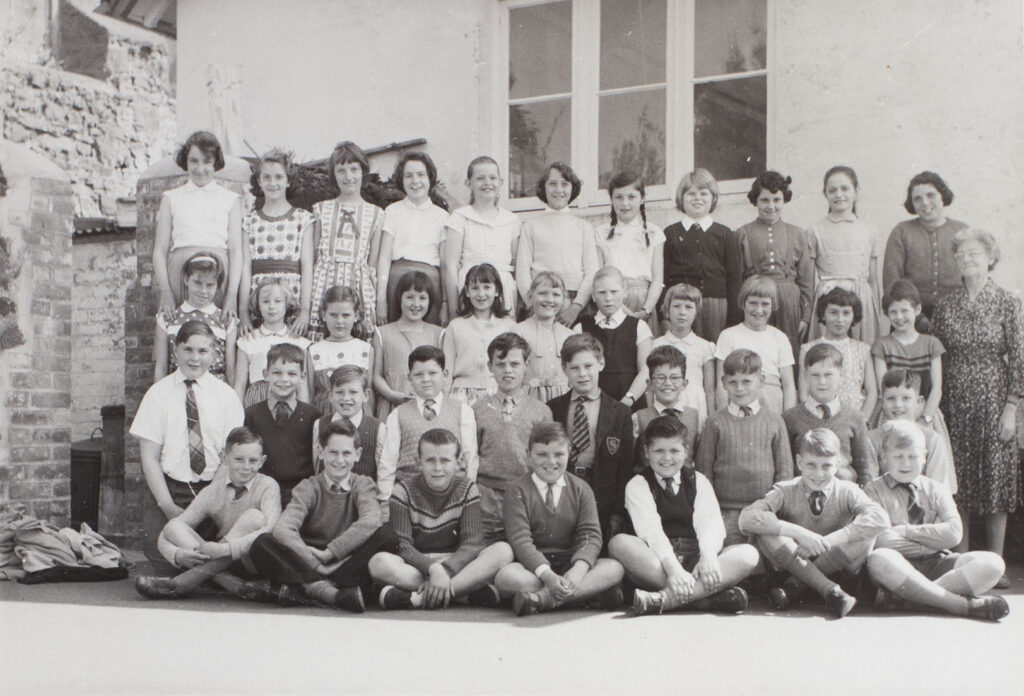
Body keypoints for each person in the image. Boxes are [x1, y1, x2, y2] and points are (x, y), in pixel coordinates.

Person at [932, 228, 1023, 578]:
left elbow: (1018, 356)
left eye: (975, 253)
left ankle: (995, 566)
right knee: (959, 478)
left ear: (990, 259)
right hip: (955, 396)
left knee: (997, 478)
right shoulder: (947, 305)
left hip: (995, 395)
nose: (967, 259)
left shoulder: (1007, 301)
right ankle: (962, 564)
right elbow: (937, 354)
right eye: (961, 254)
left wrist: (1012, 407)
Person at [610, 416, 759, 615]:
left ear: (686, 452)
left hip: (695, 557)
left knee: (748, 554)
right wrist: (674, 570)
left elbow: (709, 523)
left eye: (674, 451)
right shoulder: (638, 484)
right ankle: (705, 598)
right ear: (647, 452)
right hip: (658, 561)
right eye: (659, 451)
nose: (667, 458)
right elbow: (651, 531)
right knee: (619, 543)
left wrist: (707, 557)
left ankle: (665, 599)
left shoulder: (698, 480)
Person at [864, 421, 1009, 621]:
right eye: (898, 456)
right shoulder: (873, 491)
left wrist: (905, 531)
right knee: (879, 558)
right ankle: (959, 605)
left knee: (993, 564)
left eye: (913, 456)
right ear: (884, 457)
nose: (906, 463)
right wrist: (933, 541)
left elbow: (954, 533)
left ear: (924, 457)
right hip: (898, 568)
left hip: (937, 563)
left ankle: (908, 599)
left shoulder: (937, 489)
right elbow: (883, 540)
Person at [248, 419, 398, 612]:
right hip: (309, 558)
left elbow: (370, 520)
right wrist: (317, 564)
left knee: (387, 535)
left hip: (346, 562)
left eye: (346, 453)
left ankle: (306, 588)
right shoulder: (309, 487)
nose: (339, 460)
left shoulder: (362, 484)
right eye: (333, 452)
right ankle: (329, 592)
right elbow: (283, 528)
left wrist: (331, 553)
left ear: (357, 455)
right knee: (262, 543)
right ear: (321, 452)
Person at [739, 428, 889, 618]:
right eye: (811, 465)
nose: (818, 474)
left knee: (867, 533)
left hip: (837, 571)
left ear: (838, 464)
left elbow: (881, 518)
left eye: (826, 466)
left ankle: (796, 585)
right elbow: (746, 518)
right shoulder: (786, 490)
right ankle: (830, 591)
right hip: (791, 565)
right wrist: (799, 533)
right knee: (768, 530)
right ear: (799, 462)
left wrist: (826, 542)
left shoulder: (848, 490)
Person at [130, 320, 245, 566]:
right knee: (157, 554)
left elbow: (230, 456)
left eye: (203, 351)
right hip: (172, 489)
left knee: (205, 549)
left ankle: (200, 568)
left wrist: (209, 499)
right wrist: (167, 505)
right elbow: (149, 457)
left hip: (214, 488)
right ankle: (208, 570)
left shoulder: (226, 396)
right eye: (188, 350)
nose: (195, 358)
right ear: (175, 351)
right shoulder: (158, 394)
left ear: (214, 354)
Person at [370, 428, 514, 609]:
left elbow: (472, 543)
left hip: (455, 562)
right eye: (430, 460)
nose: (438, 468)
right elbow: (403, 546)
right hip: (417, 564)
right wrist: (433, 569)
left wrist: (444, 570)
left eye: (445, 460)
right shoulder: (402, 491)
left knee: (503, 551)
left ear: (458, 462)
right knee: (378, 563)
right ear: (418, 462)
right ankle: (462, 594)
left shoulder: (467, 488)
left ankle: (420, 598)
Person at [134, 427, 280, 601]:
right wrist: (177, 554)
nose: (246, 467)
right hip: (221, 563)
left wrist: (225, 548)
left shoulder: (268, 486)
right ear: (225, 458)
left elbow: (270, 529)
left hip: (249, 562)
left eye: (253, 461)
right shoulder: (213, 491)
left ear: (262, 461)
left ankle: (182, 583)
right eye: (239, 459)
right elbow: (167, 533)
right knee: (174, 526)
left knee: (254, 517)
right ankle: (232, 584)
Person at [494, 422, 625, 615]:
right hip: (534, 568)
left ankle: (542, 599)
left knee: (614, 568)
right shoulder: (517, 490)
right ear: (528, 455)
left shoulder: (581, 489)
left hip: (570, 563)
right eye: (541, 454)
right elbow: (521, 541)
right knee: (506, 578)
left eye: (558, 454)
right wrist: (548, 576)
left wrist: (579, 570)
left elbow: (590, 535)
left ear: (569, 453)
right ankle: (586, 596)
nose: (551, 461)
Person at [697, 349, 792, 545]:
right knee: (731, 555)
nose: (739, 388)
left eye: (746, 381)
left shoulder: (774, 421)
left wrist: (770, 507)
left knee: (778, 550)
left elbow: (785, 475)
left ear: (761, 381)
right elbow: (704, 474)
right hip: (725, 512)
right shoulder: (714, 422)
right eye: (733, 382)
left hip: (764, 510)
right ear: (724, 383)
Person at [546, 333, 634, 542]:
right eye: (574, 368)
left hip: (602, 494)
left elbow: (625, 466)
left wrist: (617, 513)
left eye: (588, 366)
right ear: (564, 369)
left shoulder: (619, 412)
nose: (582, 374)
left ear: (601, 364)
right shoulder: (554, 408)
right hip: (563, 490)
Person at [153, 130, 243, 323]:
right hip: (180, 274)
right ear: (186, 161)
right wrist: (166, 292)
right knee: (179, 330)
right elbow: (160, 250)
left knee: (217, 331)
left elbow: (236, 251)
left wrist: (231, 296)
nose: (200, 168)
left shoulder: (230, 199)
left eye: (207, 161)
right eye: (194, 161)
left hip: (218, 274)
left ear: (215, 163)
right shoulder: (171, 198)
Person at [473, 333, 552, 541]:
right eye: (500, 364)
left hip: (525, 494)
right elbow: (472, 454)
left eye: (515, 364)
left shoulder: (541, 411)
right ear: (490, 366)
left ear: (526, 365)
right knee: (488, 552)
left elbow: (545, 458)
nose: (507, 370)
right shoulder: (478, 409)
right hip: (487, 497)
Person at [378, 345, 478, 507]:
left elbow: (470, 457)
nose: (426, 379)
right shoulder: (398, 414)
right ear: (409, 378)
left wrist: (466, 494)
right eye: (418, 375)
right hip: (410, 494)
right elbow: (388, 462)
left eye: (432, 373)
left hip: (452, 494)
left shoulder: (462, 411)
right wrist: (385, 498)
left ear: (445, 375)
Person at [308, 141, 383, 338]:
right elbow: (313, 254)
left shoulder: (375, 213)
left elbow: (372, 263)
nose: (348, 176)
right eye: (341, 170)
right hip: (324, 282)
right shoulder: (321, 209)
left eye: (353, 169)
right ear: (333, 174)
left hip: (358, 283)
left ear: (363, 171)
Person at [737, 170, 814, 358]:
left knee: (787, 353)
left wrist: (805, 316)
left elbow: (807, 281)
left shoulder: (798, 234)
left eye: (776, 200)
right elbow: (737, 280)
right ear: (756, 201)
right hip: (756, 302)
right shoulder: (742, 233)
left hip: (789, 303)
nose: (771, 206)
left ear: (784, 200)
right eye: (765, 200)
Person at [238, 149, 315, 335]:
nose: (273, 183)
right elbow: (245, 268)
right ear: (259, 181)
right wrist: (243, 312)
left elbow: (307, 267)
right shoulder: (248, 221)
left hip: (291, 299)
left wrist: (305, 311)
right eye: (267, 177)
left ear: (288, 181)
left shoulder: (303, 219)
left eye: (279, 177)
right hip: (260, 301)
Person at [660, 169, 742, 342]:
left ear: (713, 198)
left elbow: (734, 278)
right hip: (680, 308)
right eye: (691, 193)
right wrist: (665, 317)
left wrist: (734, 318)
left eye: (703, 193)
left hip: (716, 307)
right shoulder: (670, 233)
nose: (697, 198)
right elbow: (663, 277)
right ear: (681, 198)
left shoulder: (725, 234)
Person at [807, 165, 883, 344]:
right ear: (825, 194)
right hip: (828, 299)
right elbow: (809, 280)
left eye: (845, 189)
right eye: (832, 190)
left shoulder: (869, 230)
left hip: (861, 298)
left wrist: (876, 312)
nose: (839, 194)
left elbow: (873, 279)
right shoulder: (815, 230)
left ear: (856, 191)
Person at [516, 162, 598, 325]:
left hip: (574, 302)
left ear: (572, 188)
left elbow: (591, 271)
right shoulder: (531, 226)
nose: (558, 190)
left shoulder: (583, 227)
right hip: (540, 299)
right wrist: (531, 303)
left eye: (564, 184)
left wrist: (576, 307)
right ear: (543, 188)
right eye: (552, 184)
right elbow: (522, 270)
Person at [783, 343, 877, 485]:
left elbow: (864, 468)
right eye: (815, 375)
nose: (822, 382)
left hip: (846, 497)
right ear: (805, 376)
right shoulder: (790, 418)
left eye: (828, 375)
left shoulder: (855, 417)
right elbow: (786, 470)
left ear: (840, 374)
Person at [882, 171, 968, 320]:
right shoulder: (901, 232)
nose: (925, 203)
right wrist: (915, 317)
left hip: (957, 315)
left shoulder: (961, 231)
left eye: (930, 195)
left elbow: (972, 277)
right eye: (917, 199)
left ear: (942, 196)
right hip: (910, 317)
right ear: (912, 204)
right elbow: (892, 281)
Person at [376, 152, 449, 326]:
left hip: (430, 282)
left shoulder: (442, 216)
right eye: (408, 176)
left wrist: (445, 303)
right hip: (396, 281)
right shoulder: (392, 212)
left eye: (421, 175)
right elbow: (384, 258)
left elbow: (446, 263)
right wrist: (381, 300)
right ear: (401, 180)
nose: (415, 181)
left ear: (430, 177)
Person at [443, 156, 520, 317]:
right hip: (471, 289)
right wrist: (452, 309)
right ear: (468, 183)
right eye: (480, 178)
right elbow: (450, 267)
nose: (487, 182)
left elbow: (517, 266)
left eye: (493, 178)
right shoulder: (460, 217)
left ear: (501, 182)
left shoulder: (511, 220)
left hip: (502, 291)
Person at [243, 344, 318, 506]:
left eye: (292, 374)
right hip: (262, 491)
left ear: (302, 376)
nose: (284, 379)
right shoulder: (251, 415)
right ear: (266, 374)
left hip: (301, 493)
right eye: (277, 373)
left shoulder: (312, 415)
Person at [594, 172, 665, 334]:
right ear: (611, 199)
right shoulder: (600, 233)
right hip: (611, 300)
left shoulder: (654, 232)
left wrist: (646, 310)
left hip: (645, 302)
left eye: (631, 197)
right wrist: (620, 308)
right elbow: (597, 277)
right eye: (618, 197)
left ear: (642, 198)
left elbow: (657, 278)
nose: (625, 203)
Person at [714, 276, 796, 413]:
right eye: (753, 303)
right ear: (743, 304)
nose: (759, 310)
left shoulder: (780, 338)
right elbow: (721, 385)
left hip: (772, 402)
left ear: (773, 305)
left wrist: (788, 419)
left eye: (765, 304)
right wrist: (724, 418)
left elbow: (788, 386)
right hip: (739, 398)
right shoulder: (728, 335)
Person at [442, 263, 518, 406]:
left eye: (487, 287)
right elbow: (447, 369)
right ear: (467, 291)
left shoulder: (509, 326)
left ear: (497, 291)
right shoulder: (455, 326)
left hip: (499, 393)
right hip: (461, 395)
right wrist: (445, 402)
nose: (481, 294)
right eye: (475, 288)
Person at [872, 279, 945, 429]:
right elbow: (883, 388)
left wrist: (926, 419)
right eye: (893, 312)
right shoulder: (882, 345)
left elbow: (936, 388)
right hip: (892, 412)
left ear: (917, 309)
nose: (899, 317)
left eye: (904, 311)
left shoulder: (932, 344)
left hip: (924, 413)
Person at [574, 265, 653, 405]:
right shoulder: (580, 328)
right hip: (593, 404)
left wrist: (628, 400)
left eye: (614, 291)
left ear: (624, 292)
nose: (608, 298)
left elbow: (646, 369)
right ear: (593, 295)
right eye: (602, 292)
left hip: (630, 404)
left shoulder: (639, 327)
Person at [868, 369, 956, 493]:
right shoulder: (871, 440)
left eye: (905, 398)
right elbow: (869, 486)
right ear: (882, 402)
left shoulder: (932, 439)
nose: (898, 404)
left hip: (923, 505)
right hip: (882, 505)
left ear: (919, 401)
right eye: (891, 398)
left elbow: (938, 489)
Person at [154, 253, 237, 382]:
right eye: (197, 283)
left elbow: (231, 370)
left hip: (214, 388)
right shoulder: (169, 318)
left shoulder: (225, 320)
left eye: (210, 285)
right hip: (178, 386)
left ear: (217, 286)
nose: (203, 291)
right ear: (186, 280)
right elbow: (161, 366)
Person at [372, 270, 443, 418]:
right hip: (392, 406)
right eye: (410, 297)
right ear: (399, 298)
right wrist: (392, 395)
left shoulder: (438, 334)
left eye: (422, 298)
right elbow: (376, 375)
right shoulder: (382, 333)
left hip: (427, 407)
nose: (416, 304)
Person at [799, 287, 876, 418]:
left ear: (853, 316)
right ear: (823, 314)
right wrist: (815, 419)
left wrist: (863, 421)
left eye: (846, 313)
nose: (840, 319)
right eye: (833, 312)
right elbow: (803, 392)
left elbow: (872, 391)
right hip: (820, 418)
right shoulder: (808, 349)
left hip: (854, 418)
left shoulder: (862, 349)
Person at [233, 277, 312, 406]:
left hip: (289, 399)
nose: (271, 306)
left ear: (286, 303)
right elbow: (240, 385)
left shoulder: (298, 342)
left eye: (277, 301)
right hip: (257, 401)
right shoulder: (248, 341)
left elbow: (302, 386)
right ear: (258, 305)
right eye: (265, 301)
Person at [311, 367, 385, 493]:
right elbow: (317, 464)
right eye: (339, 392)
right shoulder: (320, 425)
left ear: (365, 395)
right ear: (330, 396)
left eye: (353, 392)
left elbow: (383, 473)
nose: (346, 398)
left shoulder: (378, 428)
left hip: (364, 500)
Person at [651, 283, 716, 424]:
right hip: (665, 404)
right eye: (676, 306)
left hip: (695, 404)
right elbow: (650, 387)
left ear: (696, 311)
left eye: (688, 307)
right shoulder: (656, 345)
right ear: (667, 310)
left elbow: (710, 391)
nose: (682, 312)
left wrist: (711, 420)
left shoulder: (705, 347)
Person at [307, 285, 373, 416]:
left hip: (359, 416)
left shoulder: (365, 349)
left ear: (356, 316)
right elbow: (310, 394)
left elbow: (369, 393)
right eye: (333, 315)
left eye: (346, 315)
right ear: (323, 315)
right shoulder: (314, 350)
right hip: (324, 416)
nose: (339, 321)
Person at [514, 271, 578, 402]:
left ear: (563, 299)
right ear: (531, 296)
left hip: (563, 398)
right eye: (542, 293)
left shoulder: (570, 335)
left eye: (556, 295)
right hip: (529, 399)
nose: (549, 300)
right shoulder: (518, 332)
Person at [632, 345, 700, 465]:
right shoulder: (638, 419)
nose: (668, 383)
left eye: (674, 378)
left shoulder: (696, 418)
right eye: (661, 378)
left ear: (684, 384)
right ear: (650, 384)